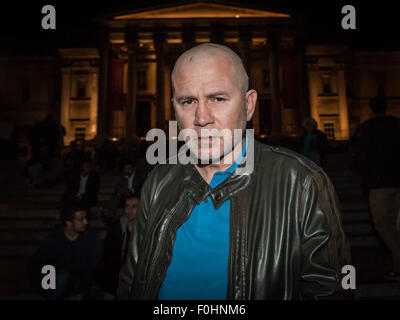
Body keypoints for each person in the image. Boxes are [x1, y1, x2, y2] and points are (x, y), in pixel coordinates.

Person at [117, 43, 351, 300]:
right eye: (188, 101)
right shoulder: (158, 181)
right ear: (174, 107)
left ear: (249, 105)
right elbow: (132, 279)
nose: (202, 117)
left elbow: (330, 291)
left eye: (217, 98)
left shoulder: (303, 183)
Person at [352, 95, 400, 281]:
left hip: (380, 182)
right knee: (393, 224)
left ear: (372, 110)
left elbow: (362, 155)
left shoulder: (368, 128)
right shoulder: (396, 124)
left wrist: (360, 169)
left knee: (383, 225)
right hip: (396, 179)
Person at [27, 200, 103, 300]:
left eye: (86, 218)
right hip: (61, 281)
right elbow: (37, 262)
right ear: (69, 223)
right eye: (81, 219)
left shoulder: (91, 236)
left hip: (83, 280)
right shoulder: (55, 239)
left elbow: (92, 267)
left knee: (94, 290)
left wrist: (80, 290)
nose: (86, 222)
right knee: (62, 275)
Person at [100, 193, 140, 295]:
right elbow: (108, 255)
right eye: (127, 206)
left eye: (134, 207)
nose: (129, 210)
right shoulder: (116, 227)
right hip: (116, 272)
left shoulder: (144, 229)